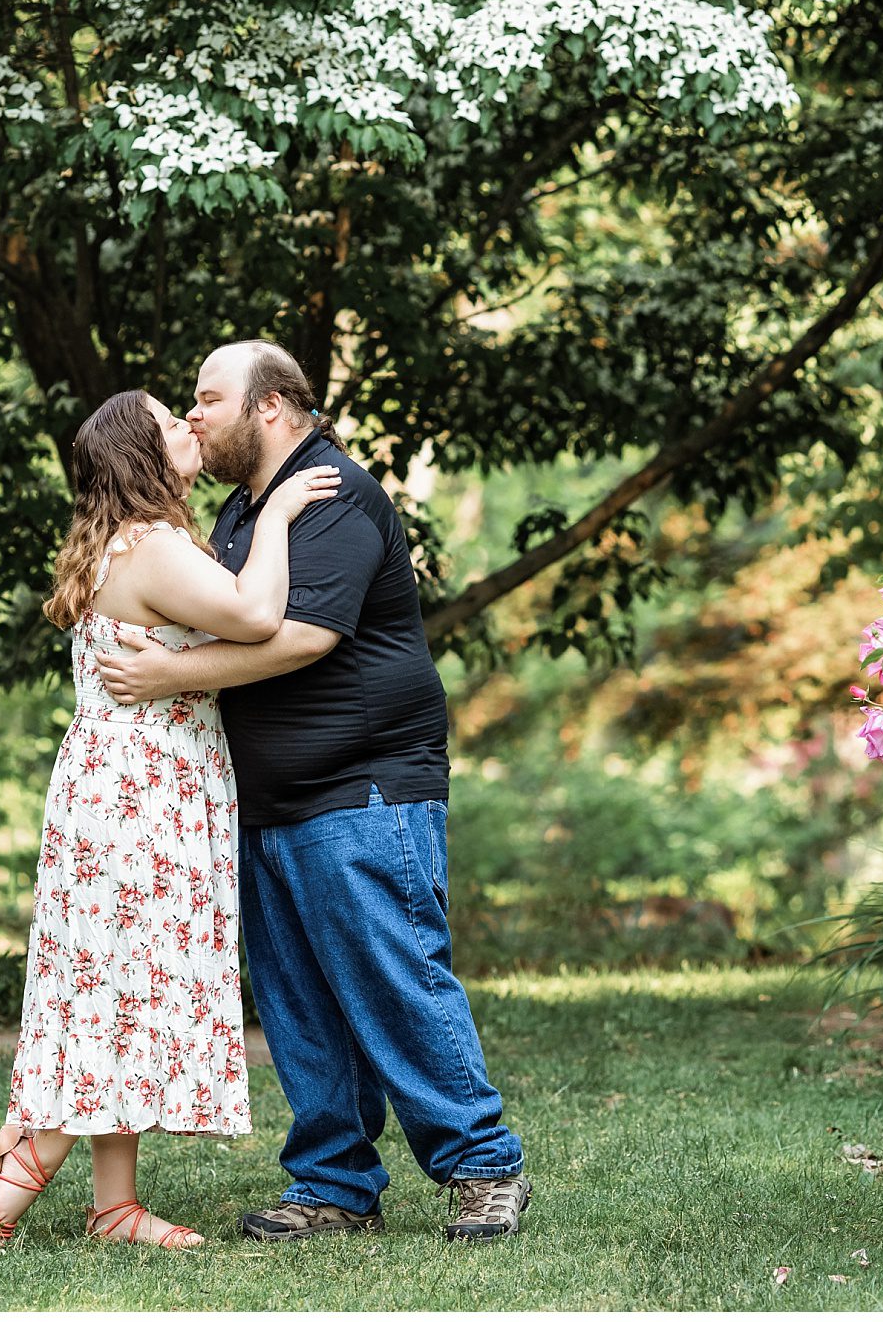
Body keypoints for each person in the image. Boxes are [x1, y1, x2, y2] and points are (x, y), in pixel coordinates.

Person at [95, 341, 531, 1243]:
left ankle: (484, 1165)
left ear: (271, 407)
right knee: (298, 1004)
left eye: (209, 397)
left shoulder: (332, 491)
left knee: (394, 980)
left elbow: (299, 639)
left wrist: (168, 675)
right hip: (266, 802)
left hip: (362, 785)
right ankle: (334, 1184)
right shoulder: (240, 510)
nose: (195, 413)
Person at [0, 388, 339, 1249]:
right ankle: (22, 1169)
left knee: (119, 981)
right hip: (141, 794)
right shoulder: (154, 548)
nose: (188, 423)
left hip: (127, 783)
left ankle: (115, 1207)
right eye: (168, 419)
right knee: (114, 984)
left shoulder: (132, 542)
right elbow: (257, 617)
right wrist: (282, 513)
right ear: (140, 452)